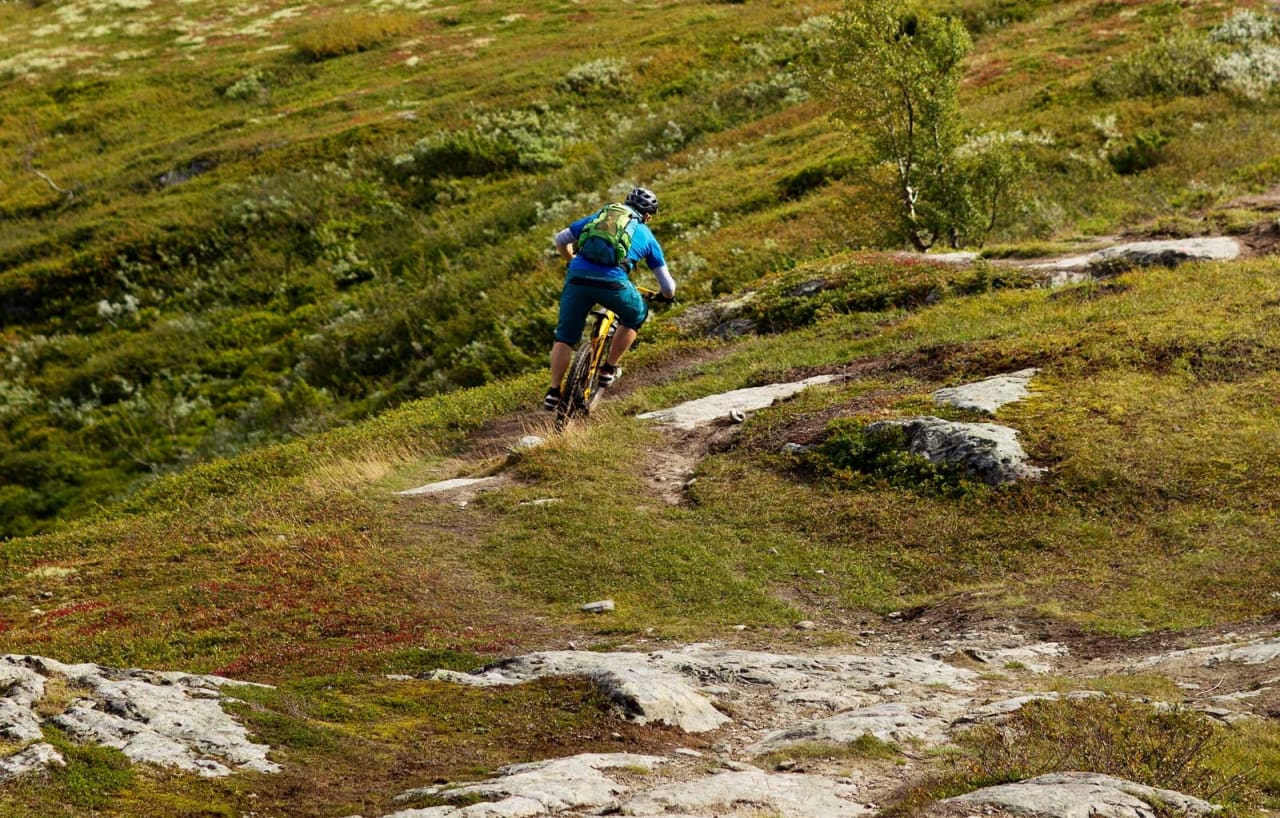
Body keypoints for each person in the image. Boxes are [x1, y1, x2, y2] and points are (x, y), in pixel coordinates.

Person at [544, 187, 676, 411]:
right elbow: (668, 286)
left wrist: (570, 259)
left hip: (576, 279)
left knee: (564, 338)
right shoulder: (645, 234)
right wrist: (665, 296)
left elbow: (560, 238)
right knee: (635, 314)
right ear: (647, 216)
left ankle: (554, 392)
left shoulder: (601, 216)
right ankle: (608, 369)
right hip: (613, 283)